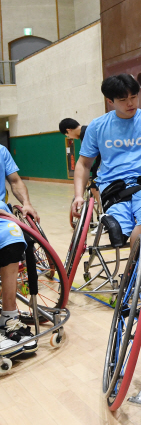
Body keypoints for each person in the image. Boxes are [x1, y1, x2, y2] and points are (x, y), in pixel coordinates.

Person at [71, 74, 141, 247]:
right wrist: (78, 195)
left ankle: (134, 269)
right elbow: (84, 163)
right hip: (112, 186)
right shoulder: (97, 126)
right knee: (119, 232)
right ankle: (124, 236)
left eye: (134, 97)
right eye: (123, 99)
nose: (130, 103)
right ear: (110, 101)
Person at [0, 144, 40, 358]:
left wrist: (26, 203)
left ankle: (8, 315)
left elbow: (15, 181)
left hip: (1, 215)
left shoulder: (1, 151)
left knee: (14, 235)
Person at [59, 118, 101, 204]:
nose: (69, 137)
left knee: (94, 188)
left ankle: (104, 209)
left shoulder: (85, 133)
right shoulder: (86, 130)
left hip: (103, 163)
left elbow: (92, 155)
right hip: (102, 162)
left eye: (67, 135)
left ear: (69, 130)